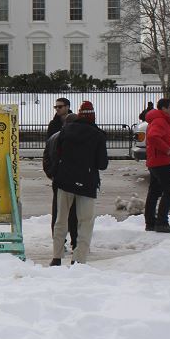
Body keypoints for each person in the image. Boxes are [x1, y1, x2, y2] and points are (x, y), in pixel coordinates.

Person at [50, 100, 108, 265]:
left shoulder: (66, 130)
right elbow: (102, 164)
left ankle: (56, 256)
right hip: (87, 183)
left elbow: (57, 153)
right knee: (85, 222)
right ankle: (79, 259)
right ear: (93, 116)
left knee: (61, 219)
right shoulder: (98, 135)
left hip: (64, 181)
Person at [45, 98, 78, 250]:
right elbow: (48, 150)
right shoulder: (54, 125)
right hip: (58, 176)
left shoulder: (76, 123)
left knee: (74, 210)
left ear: (67, 107)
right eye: (55, 107)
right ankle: (59, 242)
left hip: (75, 175)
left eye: (60, 107)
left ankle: (75, 240)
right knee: (58, 210)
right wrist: (51, 172)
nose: (57, 109)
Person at [144, 98, 170, 233]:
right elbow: (153, 137)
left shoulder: (159, 120)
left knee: (154, 192)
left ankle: (150, 222)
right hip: (161, 162)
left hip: (156, 161)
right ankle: (162, 222)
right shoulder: (160, 121)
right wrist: (167, 150)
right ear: (163, 108)